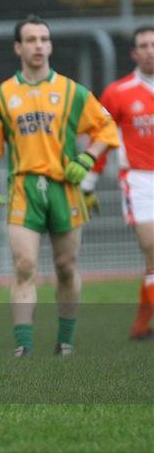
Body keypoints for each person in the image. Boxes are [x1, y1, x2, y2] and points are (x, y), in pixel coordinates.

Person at [0, 15, 119, 357]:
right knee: (24, 266)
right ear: (18, 47)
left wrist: (87, 158)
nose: (38, 45)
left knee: (66, 267)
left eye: (43, 39)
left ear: (50, 45)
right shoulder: (3, 95)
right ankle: (23, 346)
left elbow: (106, 127)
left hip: (64, 188)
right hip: (24, 187)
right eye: (31, 39)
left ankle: (65, 340)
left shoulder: (70, 91)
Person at [81, 25, 154, 340]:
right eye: (144, 45)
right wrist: (88, 182)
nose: (151, 49)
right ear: (134, 53)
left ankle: (140, 327)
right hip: (138, 179)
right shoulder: (118, 92)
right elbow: (102, 137)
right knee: (153, 249)